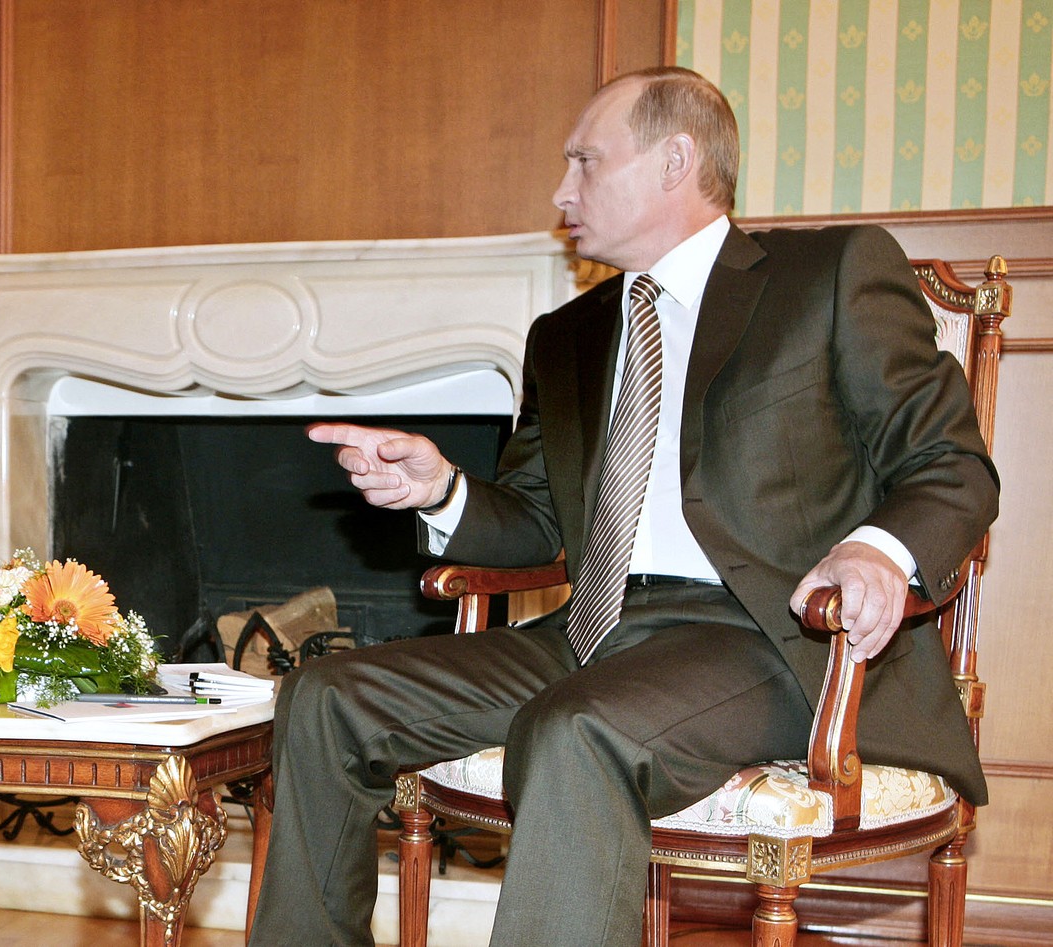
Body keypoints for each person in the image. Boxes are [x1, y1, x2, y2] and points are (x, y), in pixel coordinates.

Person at [247, 67, 996, 947]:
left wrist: (877, 551)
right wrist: (441, 490)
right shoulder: (565, 335)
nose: (562, 192)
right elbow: (537, 519)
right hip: (593, 631)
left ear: (676, 159)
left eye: (584, 162)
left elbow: (952, 463)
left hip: (770, 637)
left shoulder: (825, 276)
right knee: (325, 694)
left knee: (576, 729)